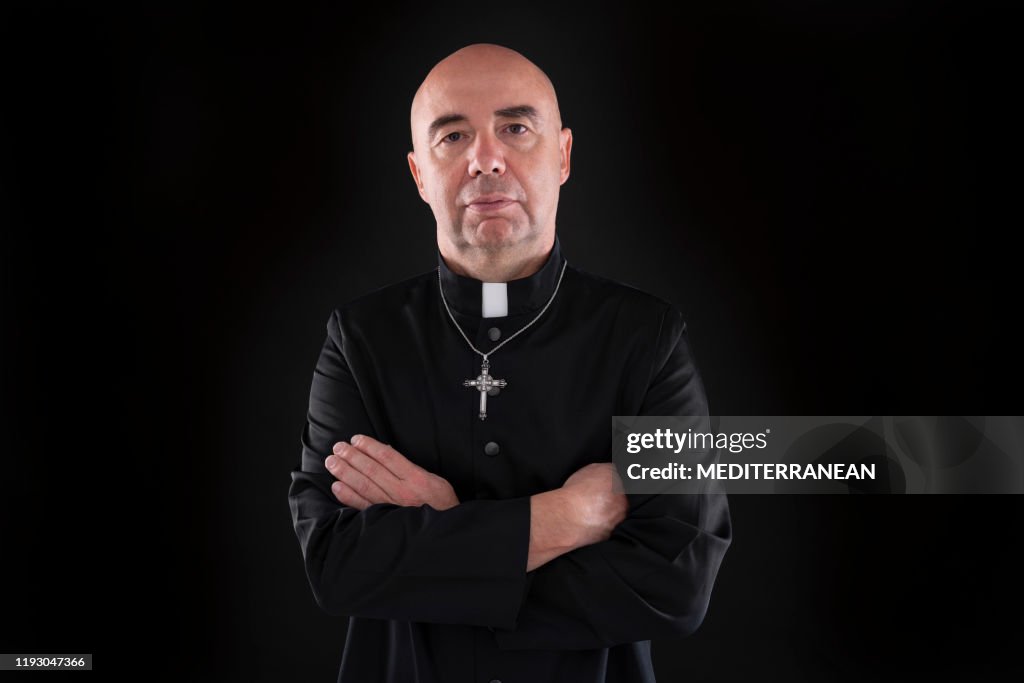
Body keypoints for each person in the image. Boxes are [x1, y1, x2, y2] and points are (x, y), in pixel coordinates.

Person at [288, 42, 731, 683]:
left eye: (516, 128)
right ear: (419, 174)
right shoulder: (359, 339)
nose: (485, 159)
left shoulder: (648, 337)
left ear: (563, 157)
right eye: (452, 135)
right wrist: (562, 519)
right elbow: (335, 566)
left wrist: (444, 532)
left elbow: (678, 582)